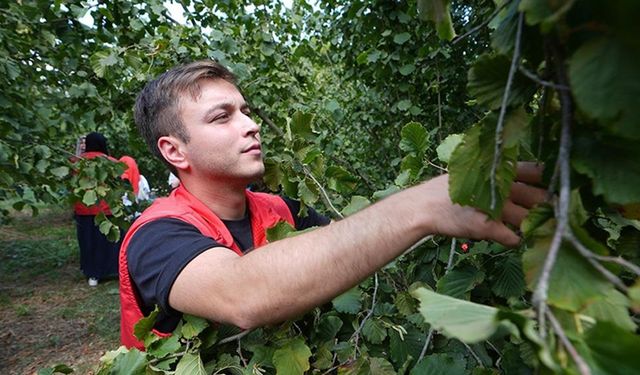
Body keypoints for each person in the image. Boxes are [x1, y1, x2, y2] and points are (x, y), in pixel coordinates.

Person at [119, 60, 546, 349]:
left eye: (246, 111)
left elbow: (348, 246)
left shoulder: (280, 208)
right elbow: (244, 295)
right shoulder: (155, 236)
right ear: (175, 152)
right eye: (222, 116)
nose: (251, 126)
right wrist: (420, 206)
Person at [73, 132, 122, 287]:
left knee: (88, 241)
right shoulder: (112, 162)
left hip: (84, 210)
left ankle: (92, 274)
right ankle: (111, 270)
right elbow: (118, 186)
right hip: (106, 210)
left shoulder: (77, 163)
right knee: (106, 241)